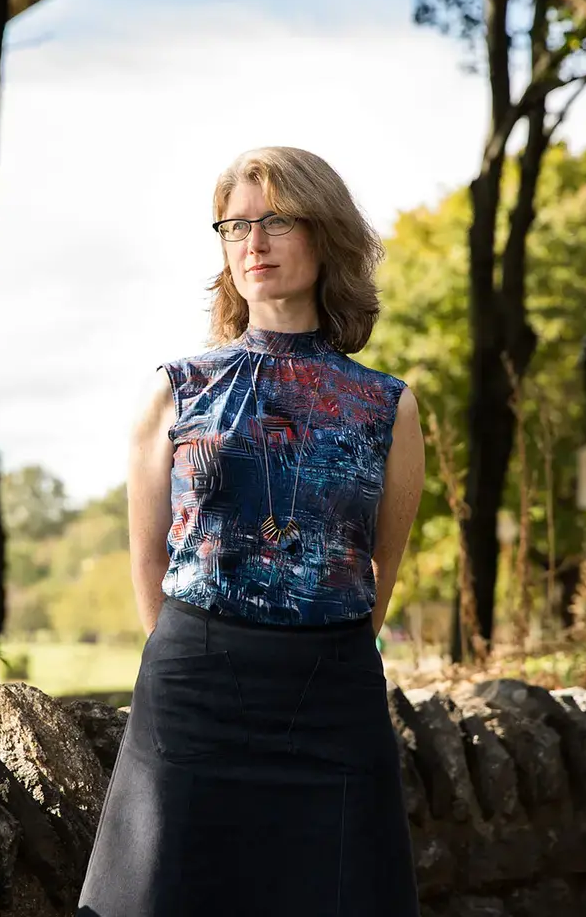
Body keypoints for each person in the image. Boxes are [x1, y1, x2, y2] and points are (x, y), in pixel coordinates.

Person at [77, 147, 425, 917]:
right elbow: (149, 564)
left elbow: (378, 572)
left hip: (332, 696)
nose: (252, 243)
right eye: (234, 225)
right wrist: (195, 656)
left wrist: (320, 648)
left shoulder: (386, 408)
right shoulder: (175, 390)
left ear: (324, 235)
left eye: (275, 220)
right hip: (195, 687)